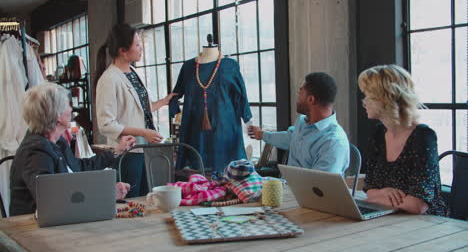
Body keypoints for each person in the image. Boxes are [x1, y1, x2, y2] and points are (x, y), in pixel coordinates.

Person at [10, 82, 136, 216]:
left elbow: (79, 167)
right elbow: (52, 201)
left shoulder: (58, 142)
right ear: (57, 115)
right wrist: (106, 193)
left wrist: (117, 150)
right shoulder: (36, 152)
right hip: (31, 228)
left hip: (61, 220)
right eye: (67, 105)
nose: (71, 109)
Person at [95, 23, 176, 197]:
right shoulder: (109, 79)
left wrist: (163, 102)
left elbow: (139, 110)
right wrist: (143, 132)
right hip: (128, 152)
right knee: (132, 201)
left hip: (144, 149)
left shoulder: (132, 71)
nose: (141, 49)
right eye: (137, 45)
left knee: (148, 198)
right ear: (123, 50)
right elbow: (106, 124)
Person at [358, 64, 447, 216]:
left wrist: (379, 196)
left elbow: (418, 205)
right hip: (389, 217)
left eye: (368, 95)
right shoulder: (379, 134)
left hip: (427, 225)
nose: (364, 101)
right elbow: (370, 191)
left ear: (385, 98)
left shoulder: (423, 136)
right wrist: (383, 193)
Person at [169, 44, 252, 172]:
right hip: (196, 130)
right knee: (200, 172)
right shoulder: (189, 67)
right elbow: (176, 93)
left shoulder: (230, 65)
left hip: (225, 129)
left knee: (227, 172)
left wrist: (247, 119)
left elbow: (240, 94)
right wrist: (174, 110)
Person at [249, 72, 349, 174]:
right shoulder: (302, 122)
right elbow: (290, 138)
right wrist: (261, 134)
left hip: (306, 189)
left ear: (311, 99)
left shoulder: (333, 142)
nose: (297, 97)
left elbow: (320, 186)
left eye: (300, 92)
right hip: (287, 185)